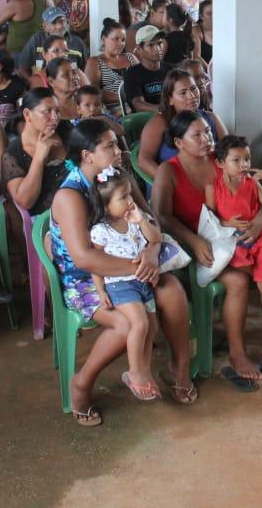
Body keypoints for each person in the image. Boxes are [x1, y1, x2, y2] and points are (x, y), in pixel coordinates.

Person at [54, 120, 196, 420]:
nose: (119, 151)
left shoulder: (119, 177)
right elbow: (83, 259)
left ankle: (180, 368)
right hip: (87, 281)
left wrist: (153, 251)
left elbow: (151, 220)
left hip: (133, 265)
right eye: (109, 146)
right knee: (126, 324)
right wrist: (141, 268)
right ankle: (81, 384)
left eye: (117, 144)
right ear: (87, 155)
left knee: (173, 292)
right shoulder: (70, 196)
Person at [152, 112, 262, 385]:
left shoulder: (223, 159)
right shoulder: (169, 170)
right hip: (200, 242)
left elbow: (253, 194)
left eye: (207, 133)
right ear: (178, 142)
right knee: (236, 281)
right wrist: (195, 240)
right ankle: (237, 354)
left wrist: (260, 220)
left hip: (239, 233)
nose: (206, 139)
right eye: (196, 135)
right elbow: (162, 216)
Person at [206, 135, 262, 360]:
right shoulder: (213, 187)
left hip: (261, 238)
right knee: (255, 275)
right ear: (220, 164)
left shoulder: (252, 183)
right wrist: (227, 223)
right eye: (237, 160)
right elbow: (210, 218)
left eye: (247, 159)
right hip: (234, 241)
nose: (244, 165)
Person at [87, 168, 164, 401]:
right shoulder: (101, 231)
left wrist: (141, 220)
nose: (130, 201)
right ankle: (134, 373)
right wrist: (100, 291)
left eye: (130, 194)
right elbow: (96, 264)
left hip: (142, 283)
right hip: (119, 285)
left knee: (152, 329)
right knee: (139, 324)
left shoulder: (135, 220)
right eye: (123, 198)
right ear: (106, 205)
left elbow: (155, 239)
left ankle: (145, 370)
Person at [136, 67, 227, 180]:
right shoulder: (159, 123)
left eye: (194, 89)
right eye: (183, 93)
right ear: (170, 99)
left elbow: (228, 149)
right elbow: (144, 160)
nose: (192, 96)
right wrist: (172, 182)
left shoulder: (211, 118)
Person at [2, 87, 68, 218]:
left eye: (57, 111)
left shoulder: (66, 131)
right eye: (47, 111)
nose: (55, 118)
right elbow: (25, 202)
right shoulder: (13, 154)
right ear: (27, 114)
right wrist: (38, 158)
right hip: (47, 219)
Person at [122, 25, 171, 114]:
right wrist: (163, 110)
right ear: (140, 49)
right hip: (146, 121)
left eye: (159, 43)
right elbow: (138, 104)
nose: (157, 48)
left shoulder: (171, 70)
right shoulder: (132, 74)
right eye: (151, 45)